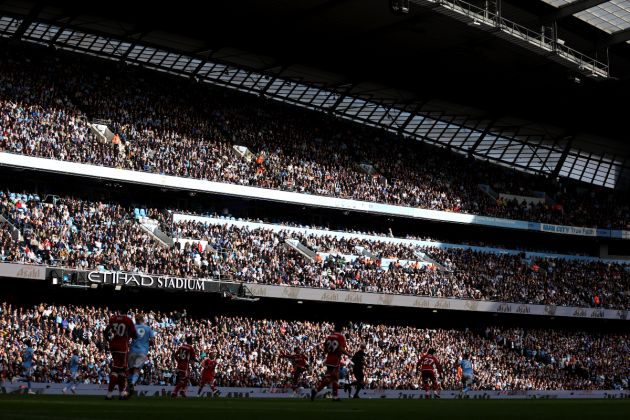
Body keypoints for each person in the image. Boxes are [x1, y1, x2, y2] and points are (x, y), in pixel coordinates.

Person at [311, 322, 350, 401]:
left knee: (335, 378)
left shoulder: (329, 336)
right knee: (332, 377)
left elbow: (325, 349)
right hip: (335, 360)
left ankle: (335, 396)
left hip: (329, 358)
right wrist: (349, 354)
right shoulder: (340, 337)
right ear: (341, 329)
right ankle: (316, 390)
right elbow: (341, 349)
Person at [104, 310, 137, 400]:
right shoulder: (127, 320)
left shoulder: (113, 319)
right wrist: (130, 336)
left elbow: (106, 331)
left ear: (118, 311)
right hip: (122, 346)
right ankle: (119, 393)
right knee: (123, 369)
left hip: (113, 346)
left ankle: (114, 394)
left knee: (117, 369)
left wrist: (109, 340)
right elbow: (134, 333)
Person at [127, 314, 155, 394]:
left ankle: (128, 388)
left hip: (132, 350)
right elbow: (153, 342)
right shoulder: (148, 328)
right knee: (137, 370)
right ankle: (132, 383)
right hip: (142, 351)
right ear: (143, 320)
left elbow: (128, 338)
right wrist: (146, 342)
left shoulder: (133, 327)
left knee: (131, 370)